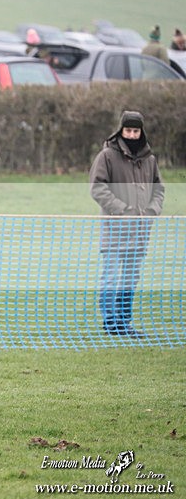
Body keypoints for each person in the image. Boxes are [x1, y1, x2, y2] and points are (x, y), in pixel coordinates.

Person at [89, 111, 165, 338]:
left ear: (141, 132)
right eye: (128, 130)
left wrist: (152, 210)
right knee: (110, 277)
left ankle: (124, 322)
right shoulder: (107, 156)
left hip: (140, 232)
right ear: (121, 131)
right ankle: (110, 322)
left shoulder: (150, 160)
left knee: (130, 279)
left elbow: (159, 189)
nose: (132, 135)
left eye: (136, 130)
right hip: (115, 231)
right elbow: (97, 188)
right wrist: (122, 210)